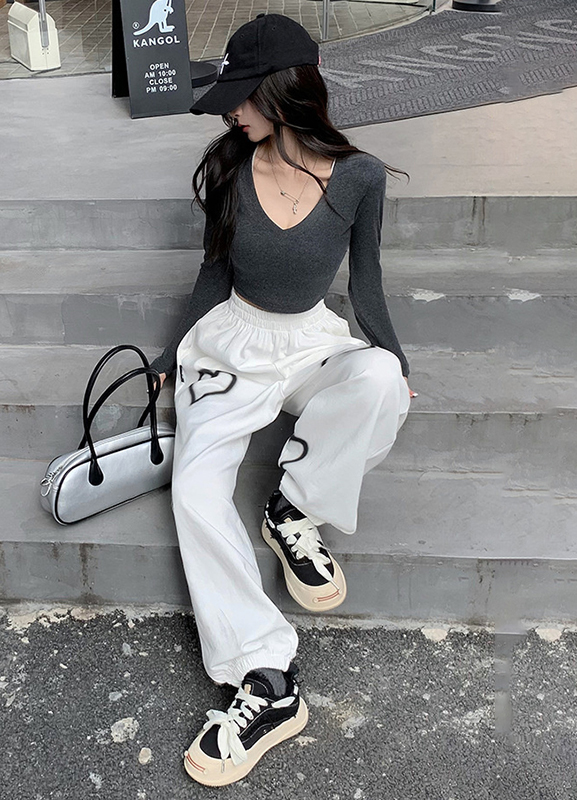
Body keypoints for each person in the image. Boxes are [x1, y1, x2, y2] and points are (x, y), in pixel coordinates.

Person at [147, 13, 415, 787]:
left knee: (377, 381)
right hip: (232, 343)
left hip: (307, 340)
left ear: (282, 91)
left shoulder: (359, 178)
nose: (230, 111)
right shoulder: (229, 165)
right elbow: (213, 272)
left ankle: (292, 507)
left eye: (241, 95)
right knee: (195, 489)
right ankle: (266, 678)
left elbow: (367, 280)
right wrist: (171, 354)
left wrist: (393, 357)